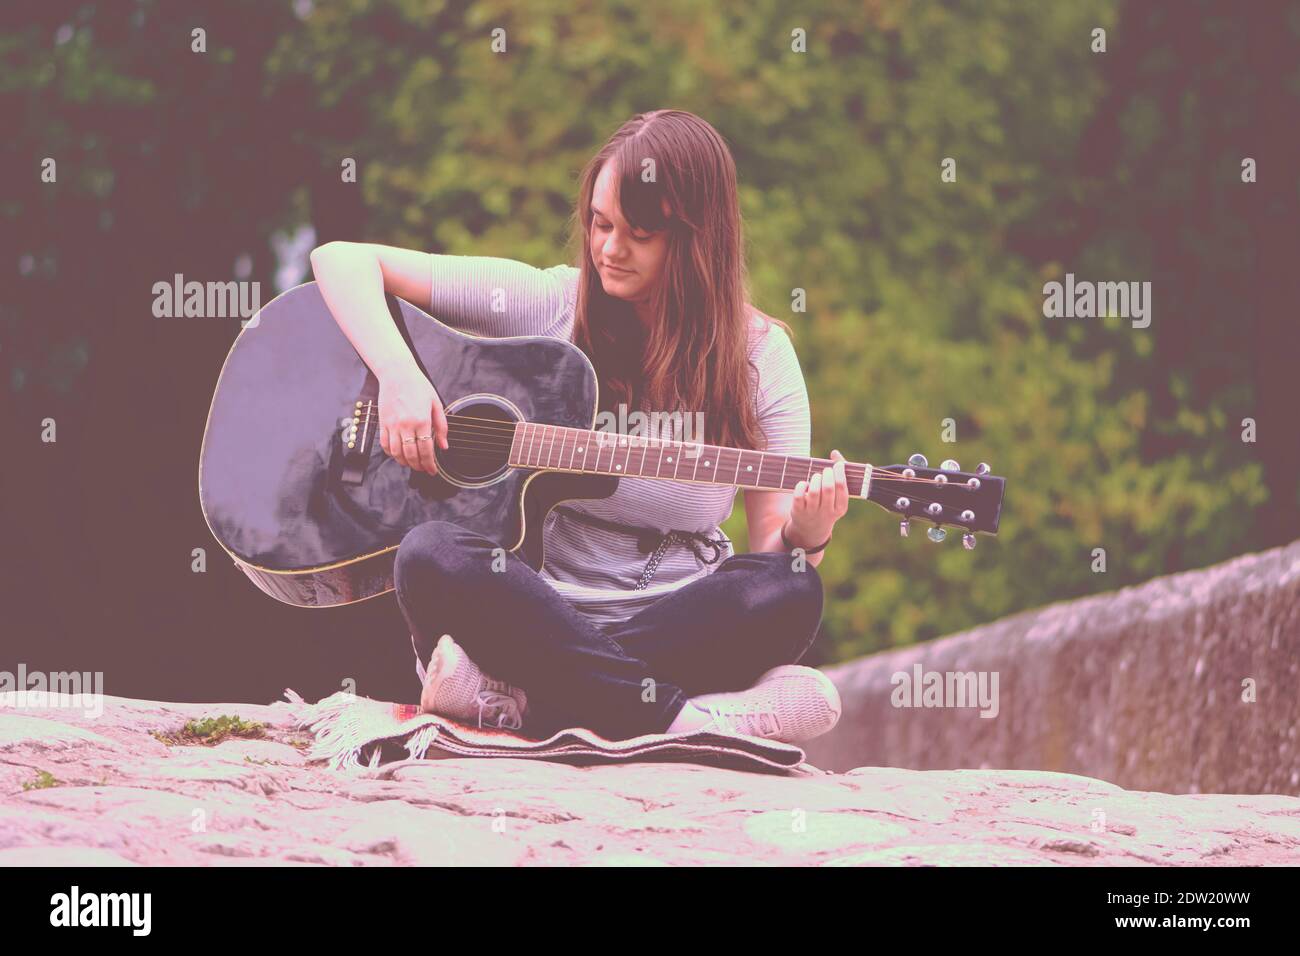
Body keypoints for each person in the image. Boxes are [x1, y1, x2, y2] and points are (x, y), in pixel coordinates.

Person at [310, 109, 850, 745]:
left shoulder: (761, 358)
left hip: (675, 617)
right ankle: (682, 720)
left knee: (790, 587)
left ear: (698, 239)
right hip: (531, 605)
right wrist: (400, 378)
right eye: (600, 223)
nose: (609, 249)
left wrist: (806, 536)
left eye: (639, 233)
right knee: (430, 554)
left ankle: (519, 701)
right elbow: (342, 261)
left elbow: (767, 554)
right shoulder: (551, 303)